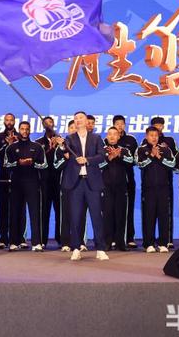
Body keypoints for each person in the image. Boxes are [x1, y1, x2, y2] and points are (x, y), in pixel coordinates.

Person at [55, 111, 109, 261]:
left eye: (80, 118)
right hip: (76, 183)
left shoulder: (96, 138)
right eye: (75, 118)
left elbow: (102, 156)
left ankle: (100, 248)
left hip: (92, 183)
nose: (78, 120)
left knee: (96, 216)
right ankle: (76, 248)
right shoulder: (69, 139)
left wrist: (87, 160)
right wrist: (61, 147)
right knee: (75, 217)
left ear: (86, 121)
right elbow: (65, 151)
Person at [4, 121, 47, 252]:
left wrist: (32, 163)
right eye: (22, 129)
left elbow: (44, 165)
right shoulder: (11, 148)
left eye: (27, 129)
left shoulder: (37, 147)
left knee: (35, 212)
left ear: (30, 130)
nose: (25, 131)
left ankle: (36, 243)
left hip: (32, 182)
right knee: (15, 211)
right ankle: (13, 242)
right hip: (16, 182)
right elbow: (6, 164)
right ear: (19, 130)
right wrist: (18, 163)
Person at [136, 126, 175, 253]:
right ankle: (149, 244)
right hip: (148, 189)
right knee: (149, 216)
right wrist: (151, 156)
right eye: (151, 135)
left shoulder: (165, 149)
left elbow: (172, 164)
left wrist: (160, 157)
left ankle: (163, 243)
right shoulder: (141, 149)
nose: (154, 138)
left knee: (164, 215)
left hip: (164, 188)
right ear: (146, 136)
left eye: (156, 135)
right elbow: (139, 164)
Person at [99, 127, 134, 251]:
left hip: (121, 187)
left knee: (121, 214)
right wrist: (108, 159)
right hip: (105, 187)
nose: (112, 136)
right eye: (110, 134)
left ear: (119, 136)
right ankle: (107, 242)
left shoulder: (124, 150)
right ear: (107, 136)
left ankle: (120, 243)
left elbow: (131, 161)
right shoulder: (101, 150)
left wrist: (119, 156)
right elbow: (97, 165)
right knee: (107, 214)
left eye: (115, 134)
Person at [109, 115, 139, 248]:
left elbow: (134, 159)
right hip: (109, 181)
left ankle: (129, 237)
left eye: (122, 124)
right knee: (111, 210)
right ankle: (113, 238)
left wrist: (120, 155)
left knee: (128, 209)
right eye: (117, 124)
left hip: (127, 179)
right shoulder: (106, 141)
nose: (120, 126)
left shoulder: (131, 140)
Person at [0, 113, 20, 249]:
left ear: (15, 121)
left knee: (18, 208)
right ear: (3, 121)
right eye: (7, 120)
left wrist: (14, 143)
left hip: (18, 176)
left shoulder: (20, 136)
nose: (9, 122)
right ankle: (3, 237)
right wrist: (7, 145)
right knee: (2, 208)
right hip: (2, 176)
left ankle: (18, 238)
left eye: (11, 120)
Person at [35, 116, 62, 248]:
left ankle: (61, 239)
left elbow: (65, 158)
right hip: (44, 181)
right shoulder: (38, 143)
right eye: (46, 123)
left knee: (60, 211)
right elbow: (37, 160)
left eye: (51, 122)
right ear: (43, 125)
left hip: (59, 181)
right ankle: (42, 240)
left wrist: (59, 146)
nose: (49, 125)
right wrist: (50, 149)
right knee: (44, 211)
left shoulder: (62, 141)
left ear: (54, 124)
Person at [54, 119, 76, 252]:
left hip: (81, 183)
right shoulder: (61, 147)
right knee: (65, 213)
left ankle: (80, 242)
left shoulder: (83, 145)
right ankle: (65, 242)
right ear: (68, 130)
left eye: (76, 127)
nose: (74, 130)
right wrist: (65, 158)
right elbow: (56, 166)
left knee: (80, 214)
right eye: (71, 127)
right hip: (66, 184)